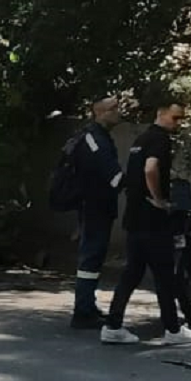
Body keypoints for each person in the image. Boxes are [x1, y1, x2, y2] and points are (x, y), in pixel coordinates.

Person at [101, 99, 191, 345]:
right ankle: (173, 330)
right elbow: (150, 169)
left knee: (132, 273)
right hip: (152, 220)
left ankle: (112, 325)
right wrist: (159, 199)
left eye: (181, 119)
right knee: (165, 274)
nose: (178, 123)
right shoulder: (159, 139)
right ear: (161, 113)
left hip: (134, 218)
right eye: (175, 117)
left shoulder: (141, 139)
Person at [69, 96, 125, 329]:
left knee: (93, 257)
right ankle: (83, 311)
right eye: (113, 109)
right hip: (95, 206)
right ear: (99, 112)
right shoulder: (93, 139)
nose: (118, 112)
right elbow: (111, 175)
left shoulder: (99, 136)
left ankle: (87, 306)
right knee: (90, 258)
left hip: (98, 205)